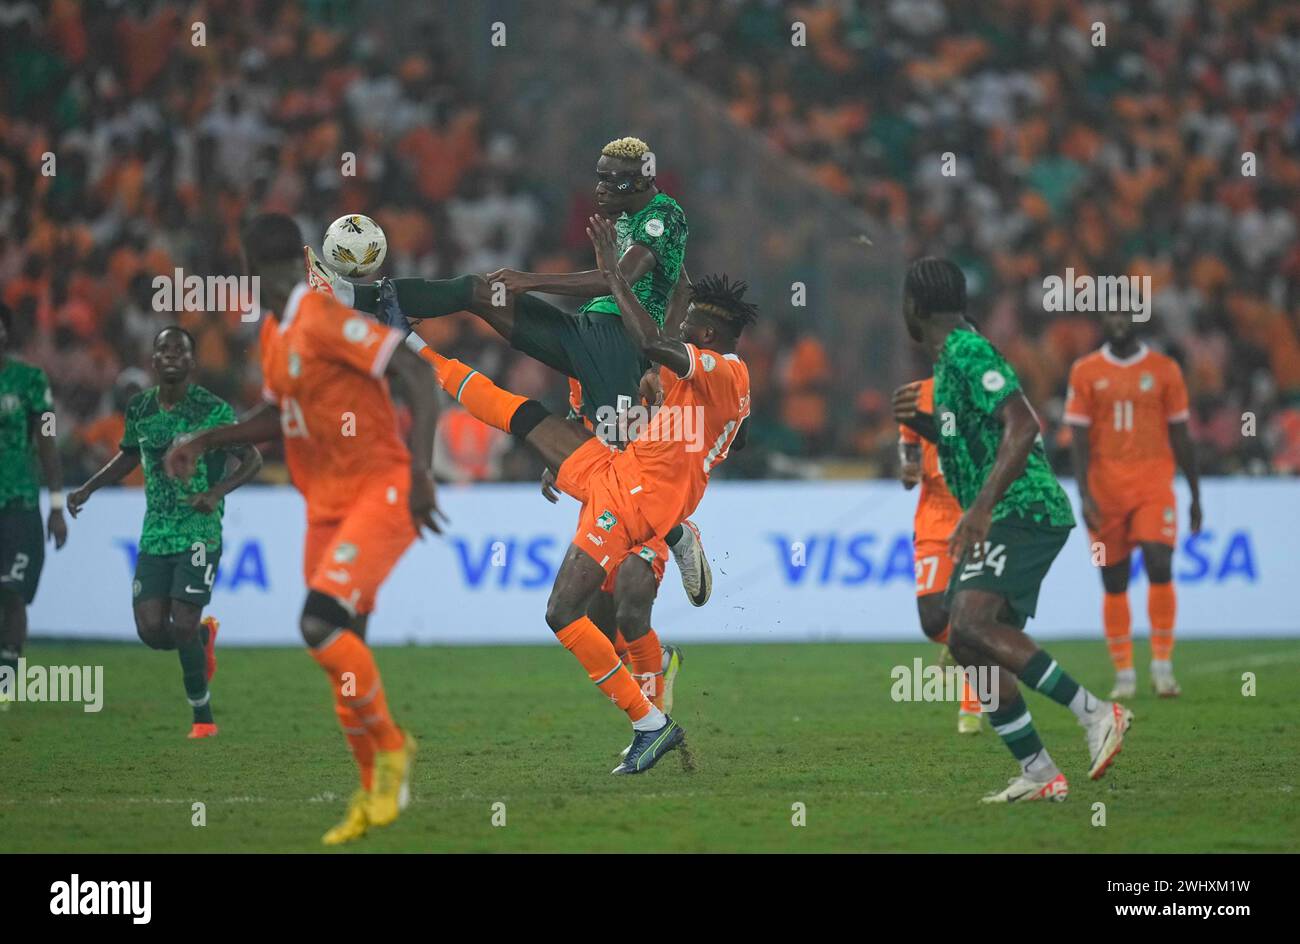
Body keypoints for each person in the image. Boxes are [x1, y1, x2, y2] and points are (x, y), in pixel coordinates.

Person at [409, 214, 754, 774]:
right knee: (523, 421)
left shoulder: (723, 370)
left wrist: (614, 276)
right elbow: (664, 342)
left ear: (708, 337)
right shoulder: (691, 376)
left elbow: (651, 340)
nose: (680, 331)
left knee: (568, 611)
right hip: (617, 469)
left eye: (689, 326)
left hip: (639, 497)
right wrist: (672, 274)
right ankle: (412, 346)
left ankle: (651, 724)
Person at [165, 213, 443, 845]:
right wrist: (208, 437)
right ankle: (376, 792)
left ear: (251, 269)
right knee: (344, 651)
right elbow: (279, 414)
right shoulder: (274, 332)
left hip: (380, 487)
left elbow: (416, 373)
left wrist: (422, 472)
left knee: (318, 623)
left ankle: (395, 749)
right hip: (324, 505)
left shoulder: (319, 317)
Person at [893, 257, 1131, 804]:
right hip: (1005, 512)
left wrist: (978, 509)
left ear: (914, 306)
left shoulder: (967, 350)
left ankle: (1096, 713)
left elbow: (1024, 424)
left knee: (971, 620)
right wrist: (927, 425)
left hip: (1026, 507)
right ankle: (1040, 771)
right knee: (967, 638)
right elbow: (973, 440)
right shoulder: (949, 363)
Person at [69, 327, 261, 738]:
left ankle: (203, 718)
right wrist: (89, 487)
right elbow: (128, 456)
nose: (172, 354)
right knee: (152, 629)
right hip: (155, 531)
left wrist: (215, 491)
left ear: (192, 362)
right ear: (153, 361)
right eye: (164, 349)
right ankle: (201, 639)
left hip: (198, 528)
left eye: (181, 349)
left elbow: (253, 458)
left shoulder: (212, 409)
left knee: (183, 620)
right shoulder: (139, 408)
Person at [1065, 309, 1201, 698]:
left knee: (1160, 561)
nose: (1118, 320)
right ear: (1101, 323)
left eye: (1125, 313)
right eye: (1110, 315)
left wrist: (1195, 494)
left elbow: (1181, 434)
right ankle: (1124, 674)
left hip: (1153, 486)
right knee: (1113, 578)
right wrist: (1084, 494)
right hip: (1104, 492)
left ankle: (1162, 666)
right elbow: (1076, 439)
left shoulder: (1165, 370)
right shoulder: (1085, 370)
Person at [898, 375, 983, 734]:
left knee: (972, 612)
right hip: (934, 518)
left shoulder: (990, 390)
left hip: (980, 514)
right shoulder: (916, 395)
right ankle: (961, 644)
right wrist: (909, 470)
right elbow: (909, 464)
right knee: (934, 621)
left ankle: (971, 708)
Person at [0, 302, 67, 708]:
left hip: (21, 499)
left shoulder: (30, 380)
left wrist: (56, 505)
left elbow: (48, 440)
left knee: (12, 591)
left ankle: (5, 682)